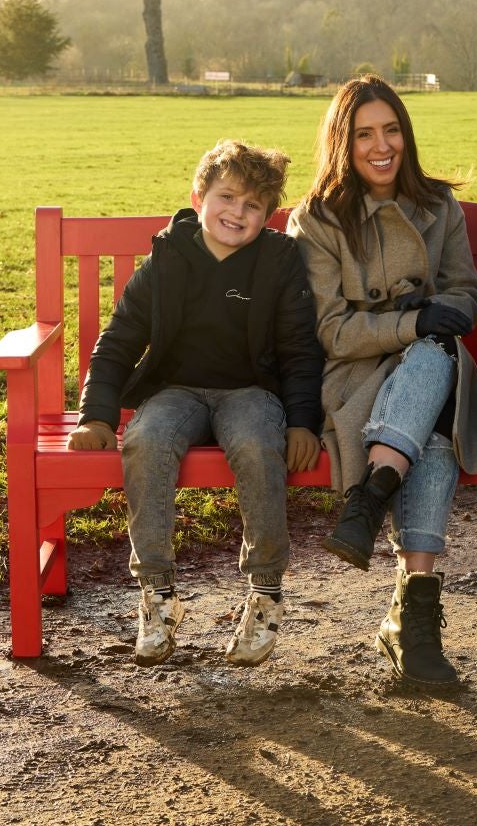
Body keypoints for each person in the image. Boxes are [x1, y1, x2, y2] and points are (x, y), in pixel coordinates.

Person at [67, 140, 324, 669]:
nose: (237, 212)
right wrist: (96, 415)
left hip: (251, 394)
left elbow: (301, 351)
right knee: (145, 438)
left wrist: (302, 422)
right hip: (176, 392)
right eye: (227, 197)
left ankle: (266, 592)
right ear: (198, 197)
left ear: (268, 215)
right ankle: (157, 595)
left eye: (253, 205)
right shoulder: (168, 259)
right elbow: (118, 340)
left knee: (257, 444)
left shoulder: (279, 263)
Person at [287, 75, 477, 689]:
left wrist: (453, 310)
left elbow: (466, 288)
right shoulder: (320, 220)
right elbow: (331, 330)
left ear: (406, 135)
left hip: (424, 371)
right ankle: (415, 623)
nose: (380, 146)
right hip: (356, 380)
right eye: (363, 135)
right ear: (342, 142)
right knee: (431, 398)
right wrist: (413, 321)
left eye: (391, 131)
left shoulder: (439, 206)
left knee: (434, 364)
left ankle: (371, 505)